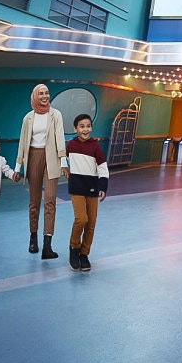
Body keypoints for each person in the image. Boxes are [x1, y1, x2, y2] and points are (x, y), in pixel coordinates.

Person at [14, 84, 67, 260]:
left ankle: (47, 245)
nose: (45, 96)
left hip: (51, 158)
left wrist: (64, 161)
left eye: (47, 93)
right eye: (41, 93)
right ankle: (33, 238)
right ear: (35, 96)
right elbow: (22, 143)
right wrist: (17, 167)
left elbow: (60, 138)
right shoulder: (28, 117)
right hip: (33, 157)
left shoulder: (56, 115)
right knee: (34, 201)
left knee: (50, 200)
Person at [65, 113, 109, 271]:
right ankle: (73, 248)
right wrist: (64, 166)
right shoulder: (71, 145)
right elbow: (62, 156)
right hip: (76, 187)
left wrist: (102, 186)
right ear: (75, 128)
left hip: (92, 188)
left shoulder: (95, 146)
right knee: (81, 219)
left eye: (88, 126)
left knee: (91, 223)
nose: (85, 129)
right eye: (82, 126)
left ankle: (84, 254)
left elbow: (102, 167)